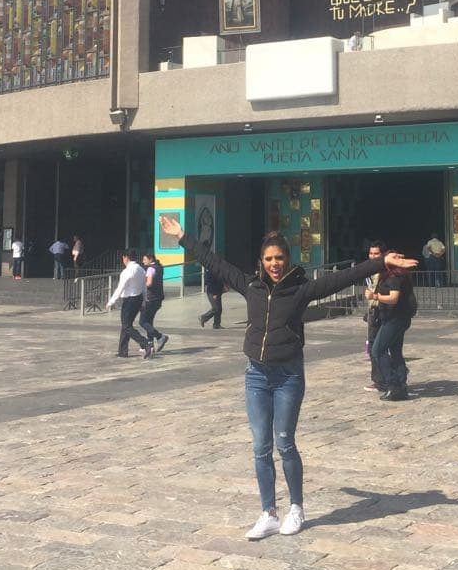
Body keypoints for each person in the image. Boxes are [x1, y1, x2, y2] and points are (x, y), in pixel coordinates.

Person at [159, 213, 416, 541]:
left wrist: (381, 263)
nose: (274, 264)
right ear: (261, 261)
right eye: (268, 259)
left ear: (288, 259)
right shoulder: (250, 286)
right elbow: (214, 263)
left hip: (288, 377)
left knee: (284, 442)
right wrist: (182, 236)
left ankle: (296, 507)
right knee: (260, 446)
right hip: (256, 376)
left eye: (279, 258)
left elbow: (343, 278)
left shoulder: (300, 290)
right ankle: (268, 512)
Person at [371, 255, 417, 401]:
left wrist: (375, 297)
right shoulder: (394, 277)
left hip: (394, 319)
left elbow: (393, 297)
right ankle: (401, 385)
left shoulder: (394, 278)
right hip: (395, 317)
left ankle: (393, 384)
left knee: (378, 350)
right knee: (396, 351)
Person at [106, 249, 153, 359]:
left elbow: (120, 288)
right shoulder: (141, 270)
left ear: (126, 257)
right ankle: (123, 351)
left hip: (129, 301)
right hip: (138, 299)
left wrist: (111, 301)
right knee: (126, 325)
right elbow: (144, 287)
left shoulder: (127, 271)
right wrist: (144, 301)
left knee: (126, 326)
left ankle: (146, 343)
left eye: (123, 258)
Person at [363, 241, 386, 391]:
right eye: (371, 253)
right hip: (373, 310)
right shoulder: (369, 271)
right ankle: (383, 378)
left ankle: (381, 380)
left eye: (376, 253)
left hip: (381, 310)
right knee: (373, 346)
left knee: (376, 347)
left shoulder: (385, 272)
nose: (373, 256)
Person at [139, 251, 169, 352]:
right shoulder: (159, 267)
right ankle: (150, 345)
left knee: (143, 321)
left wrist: (141, 284)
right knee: (149, 322)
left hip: (150, 299)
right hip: (158, 299)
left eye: (144, 259)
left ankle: (160, 336)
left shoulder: (150, 269)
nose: (143, 261)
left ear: (150, 259)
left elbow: (149, 283)